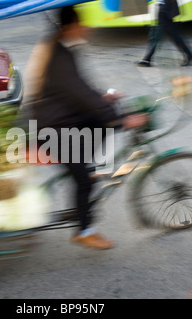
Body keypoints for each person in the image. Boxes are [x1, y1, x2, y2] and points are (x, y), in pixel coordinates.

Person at [23, 5, 147, 250]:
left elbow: (81, 88)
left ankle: (88, 166)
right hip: (52, 128)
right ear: (69, 27)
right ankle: (84, 229)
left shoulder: (60, 47)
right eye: (82, 24)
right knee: (85, 181)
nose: (87, 28)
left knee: (102, 121)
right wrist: (123, 120)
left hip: (60, 115)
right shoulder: (58, 57)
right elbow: (79, 93)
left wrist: (105, 99)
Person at [136, 0, 192, 67]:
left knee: (157, 37)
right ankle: (189, 55)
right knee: (173, 37)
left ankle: (147, 59)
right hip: (163, 10)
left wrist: (166, 10)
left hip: (166, 11)